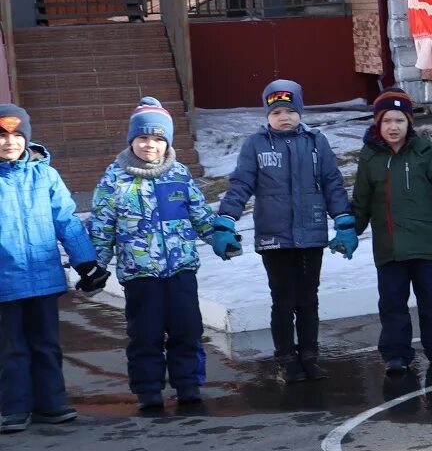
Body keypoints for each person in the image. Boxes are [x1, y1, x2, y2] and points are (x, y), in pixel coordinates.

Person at [89, 99, 238, 410]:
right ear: (132, 140)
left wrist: (219, 239)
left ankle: (188, 386)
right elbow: (102, 226)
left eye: (158, 139)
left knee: (187, 330)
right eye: (143, 138)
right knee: (146, 335)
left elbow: (200, 216)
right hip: (140, 274)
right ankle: (149, 391)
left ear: (167, 142)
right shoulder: (114, 180)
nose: (150, 145)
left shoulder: (179, 176)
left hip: (180, 270)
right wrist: (95, 265)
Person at [217, 80, 356, 382]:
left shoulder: (316, 142)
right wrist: (226, 220)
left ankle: (310, 355)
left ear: (300, 111)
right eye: (277, 111)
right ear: (267, 114)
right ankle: (285, 359)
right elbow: (241, 183)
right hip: (274, 236)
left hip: (311, 234)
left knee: (308, 298)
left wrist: (343, 221)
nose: (284, 117)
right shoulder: (255, 144)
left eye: (290, 111)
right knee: (282, 299)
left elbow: (332, 182)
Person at [0, 104, 106, 432]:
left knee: (47, 344)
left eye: (17, 135)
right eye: (2, 136)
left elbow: (66, 220)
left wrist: (86, 262)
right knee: (11, 347)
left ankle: (51, 403)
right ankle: (14, 408)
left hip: (44, 278)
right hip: (4, 282)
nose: (10, 142)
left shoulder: (45, 175)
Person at [350, 89, 432, 375]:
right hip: (389, 246)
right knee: (392, 303)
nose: (393, 127)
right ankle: (396, 353)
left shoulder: (425, 151)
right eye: (387, 120)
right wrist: (351, 230)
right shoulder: (371, 157)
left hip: (426, 243)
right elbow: (362, 199)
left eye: (399, 120)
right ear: (378, 123)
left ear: (409, 122)